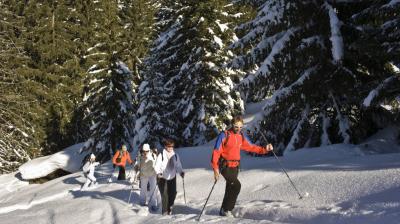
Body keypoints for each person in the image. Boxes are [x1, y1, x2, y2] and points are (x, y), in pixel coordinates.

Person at [211, 116, 273, 217]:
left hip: (235, 167)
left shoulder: (241, 137)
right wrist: (215, 169)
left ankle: (223, 210)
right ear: (232, 125)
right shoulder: (225, 135)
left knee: (230, 188)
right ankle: (227, 210)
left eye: (241, 127)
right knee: (236, 186)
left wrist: (265, 149)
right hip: (225, 166)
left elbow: (251, 147)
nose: (238, 129)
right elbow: (216, 151)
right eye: (236, 127)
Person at [154, 139, 184, 215]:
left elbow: (178, 165)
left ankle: (170, 207)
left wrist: (181, 172)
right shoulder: (161, 155)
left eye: (172, 146)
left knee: (173, 193)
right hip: (163, 177)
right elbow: (157, 165)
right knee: (164, 195)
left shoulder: (175, 155)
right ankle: (164, 211)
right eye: (169, 146)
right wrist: (158, 173)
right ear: (165, 146)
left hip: (172, 177)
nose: (171, 148)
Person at [135, 143, 158, 210]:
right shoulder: (140, 156)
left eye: (146, 151)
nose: (145, 152)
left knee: (153, 189)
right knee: (143, 189)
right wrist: (136, 167)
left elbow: (157, 163)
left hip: (152, 174)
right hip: (143, 174)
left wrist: (159, 171)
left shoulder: (153, 155)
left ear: (149, 150)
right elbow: (137, 164)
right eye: (144, 151)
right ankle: (142, 202)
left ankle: (153, 204)